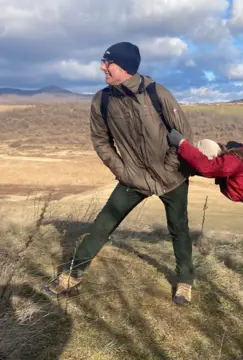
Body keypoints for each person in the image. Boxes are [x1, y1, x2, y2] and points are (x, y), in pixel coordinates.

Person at [46, 42, 195, 306]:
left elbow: (183, 135)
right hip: (132, 178)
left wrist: (172, 166)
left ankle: (184, 281)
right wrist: (122, 170)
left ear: (124, 67)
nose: (102, 67)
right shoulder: (102, 100)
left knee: (179, 229)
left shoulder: (157, 93)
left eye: (108, 63)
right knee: (102, 225)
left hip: (172, 177)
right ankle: (72, 275)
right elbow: (101, 141)